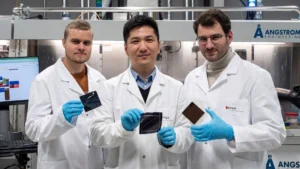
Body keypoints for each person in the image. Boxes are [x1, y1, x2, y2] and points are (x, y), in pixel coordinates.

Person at [183, 9, 286, 169]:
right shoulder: (191, 79)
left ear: (229, 37)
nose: (209, 45)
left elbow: (275, 133)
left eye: (215, 37)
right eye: (203, 39)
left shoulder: (256, 77)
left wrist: (231, 133)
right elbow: (190, 120)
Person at [91, 15, 193, 169]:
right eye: (135, 41)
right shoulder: (107, 88)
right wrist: (122, 128)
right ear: (125, 48)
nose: (143, 47)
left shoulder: (178, 88)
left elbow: (189, 131)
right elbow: (96, 134)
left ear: (159, 45)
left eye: (149, 40)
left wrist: (174, 139)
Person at [25, 20, 106, 169]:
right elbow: (32, 129)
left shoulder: (99, 80)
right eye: (75, 41)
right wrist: (60, 118)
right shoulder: (44, 80)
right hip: (61, 163)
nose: (81, 47)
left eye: (86, 43)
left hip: (93, 163)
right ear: (63, 42)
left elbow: (101, 121)